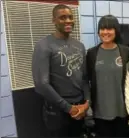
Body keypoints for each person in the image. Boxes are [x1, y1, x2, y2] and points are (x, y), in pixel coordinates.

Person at [32, 4, 90, 137]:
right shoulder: (44, 46)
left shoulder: (79, 46)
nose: (68, 20)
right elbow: (41, 84)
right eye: (63, 17)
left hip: (79, 109)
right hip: (57, 112)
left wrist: (87, 102)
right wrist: (68, 108)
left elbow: (85, 77)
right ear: (54, 20)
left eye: (70, 17)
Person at [86, 15, 129, 137]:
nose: (105, 32)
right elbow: (86, 80)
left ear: (116, 31)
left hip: (122, 111)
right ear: (98, 31)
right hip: (100, 112)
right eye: (102, 28)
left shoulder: (126, 52)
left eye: (110, 28)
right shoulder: (91, 53)